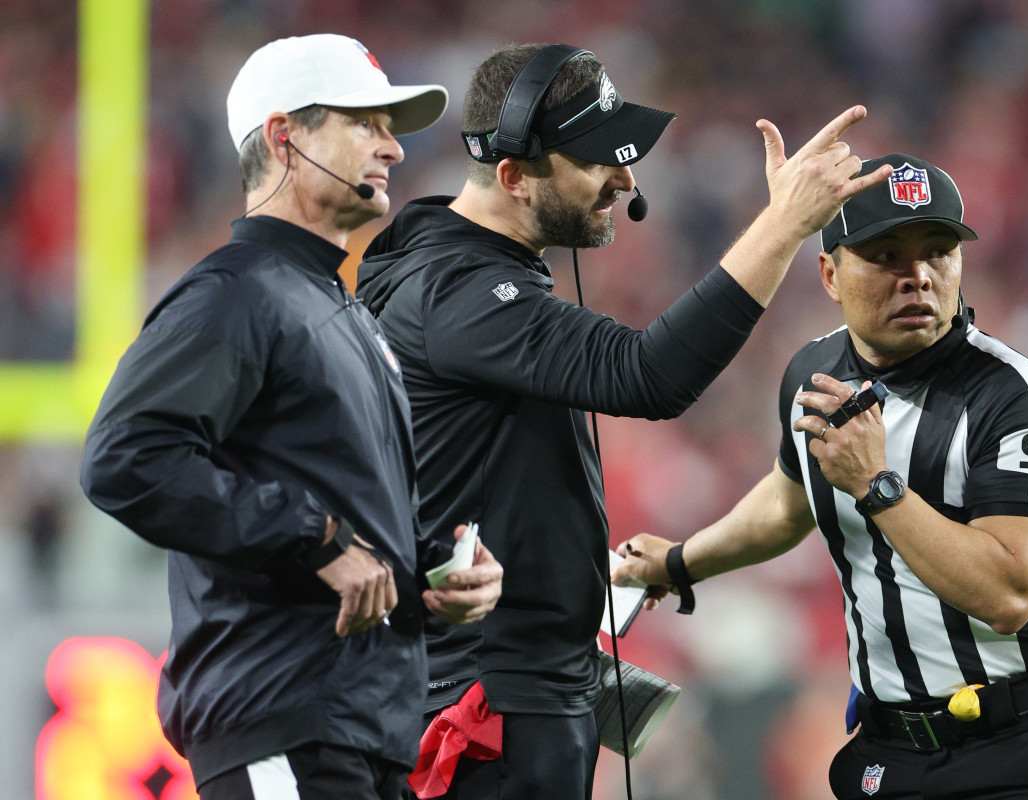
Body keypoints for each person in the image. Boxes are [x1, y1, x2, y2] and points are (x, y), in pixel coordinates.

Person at [354, 42, 889, 800]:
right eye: (598, 159)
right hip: (488, 710)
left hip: (490, 689)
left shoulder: (433, 265)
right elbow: (649, 375)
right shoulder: (458, 290)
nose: (627, 181)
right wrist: (785, 224)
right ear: (513, 174)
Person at [613, 153, 1028, 798]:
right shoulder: (814, 371)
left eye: (937, 251)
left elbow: (1010, 593)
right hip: (893, 750)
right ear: (829, 273)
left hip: (1026, 741)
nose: (917, 277)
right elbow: (789, 500)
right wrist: (682, 562)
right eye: (886, 255)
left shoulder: (1014, 393)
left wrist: (876, 486)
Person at [79, 34, 503, 799]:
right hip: (282, 720)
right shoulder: (237, 292)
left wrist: (432, 567)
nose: (393, 149)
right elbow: (125, 457)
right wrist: (318, 538)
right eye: (365, 122)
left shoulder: (343, 311)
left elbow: (339, 520)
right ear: (284, 138)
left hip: (355, 733)